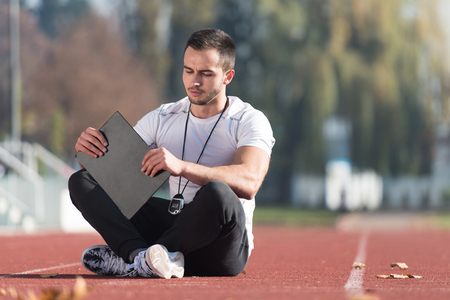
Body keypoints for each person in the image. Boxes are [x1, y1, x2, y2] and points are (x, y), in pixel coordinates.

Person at [69, 28, 275, 279]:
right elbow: (109, 176)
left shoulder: (248, 120)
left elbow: (250, 181)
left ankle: (140, 260)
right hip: (169, 233)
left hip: (221, 247)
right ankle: (138, 256)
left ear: (227, 77)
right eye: (188, 70)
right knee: (81, 181)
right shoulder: (164, 116)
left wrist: (181, 167)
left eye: (206, 73)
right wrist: (92, 151)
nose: (194, 81)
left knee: (219, 192)